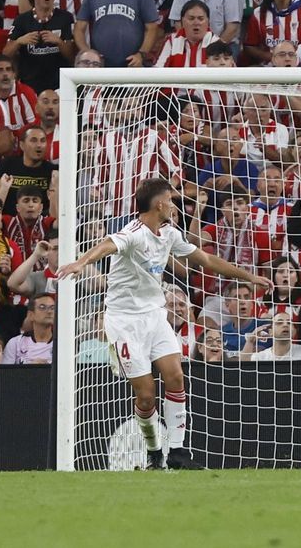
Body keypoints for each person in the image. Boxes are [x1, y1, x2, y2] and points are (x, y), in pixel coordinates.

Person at [57, 177, 270, 470]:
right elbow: (107, 244)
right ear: (159, 204)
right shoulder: (133, 233)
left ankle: (179, 453)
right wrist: (82, 263)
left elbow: (206, 259)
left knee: (176, 377)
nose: (173, 205)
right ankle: (154, 451)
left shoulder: (169, 233)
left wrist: (249, 277)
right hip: (124, 321)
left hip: (155, 316)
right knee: (145, 395)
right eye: (170, 200)